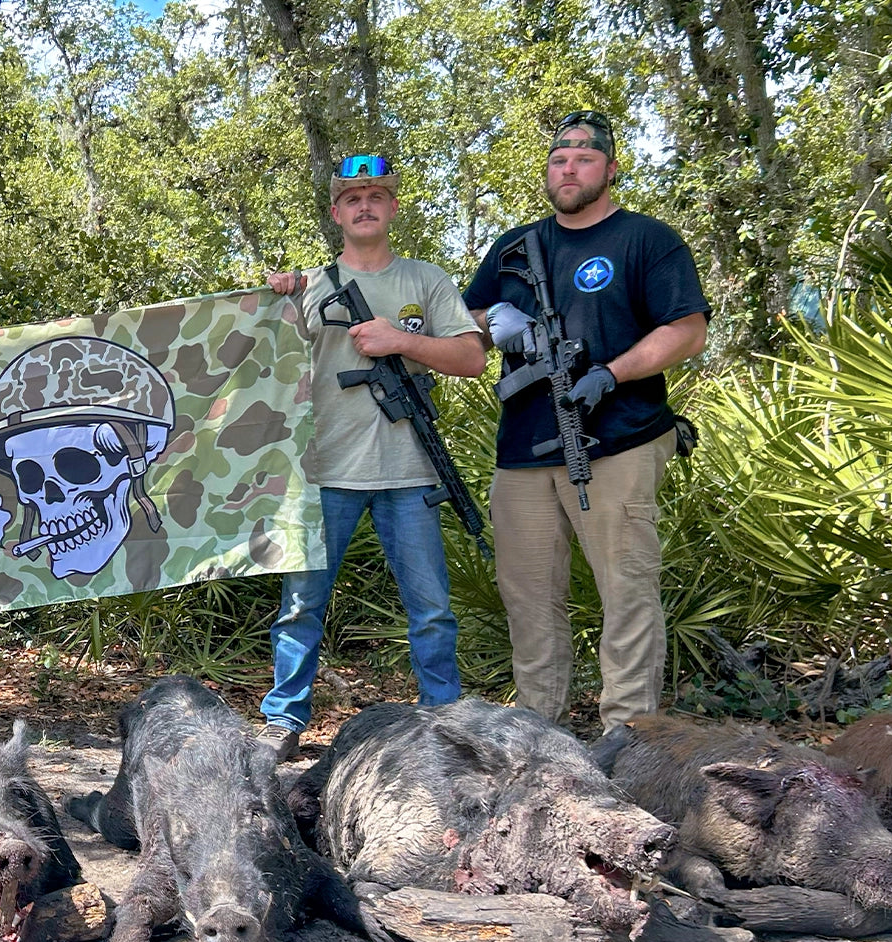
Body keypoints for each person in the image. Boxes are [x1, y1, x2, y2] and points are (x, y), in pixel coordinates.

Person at [464, 110, 709, 731]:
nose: (568, 167)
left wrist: (612, 373)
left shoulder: (646, 241)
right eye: (558, 158)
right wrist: (496, 322)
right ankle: (538, 731)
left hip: (618, 440)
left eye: (583, 157)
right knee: (527, 598)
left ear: (610, 168)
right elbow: (466, 322)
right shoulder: (515, 247)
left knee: (625, 591)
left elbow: (687, 331)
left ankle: (626, 736)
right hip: (522, 449)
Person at [258, 155, 487, 759]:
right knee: (302, 606)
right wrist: (277, 298)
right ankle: (283, 720)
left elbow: (471, 358)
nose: (365, 205)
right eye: (353, 197)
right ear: (336, 213)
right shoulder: (308, 287)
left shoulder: (426, 281)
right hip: (325, 471)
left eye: (377, 195)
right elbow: (257, 365)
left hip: (411, 472)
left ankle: (443, 719)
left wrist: (400, 340)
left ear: (392, 207)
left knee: (431, 609)